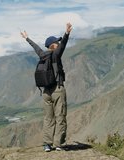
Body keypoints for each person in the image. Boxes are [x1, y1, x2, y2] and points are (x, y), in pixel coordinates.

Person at [20, 23, 72, 152]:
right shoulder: (56, 55)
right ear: (53, 45)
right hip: (57, 90)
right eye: (57, 43)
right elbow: (64, 45)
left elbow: (36, 47)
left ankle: (47, 145)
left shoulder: (42, 55)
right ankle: (59, 144)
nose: (59, 44)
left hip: (45, 92)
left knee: (48, 118)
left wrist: (27, 38)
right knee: (60, 117)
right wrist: (67, 34)